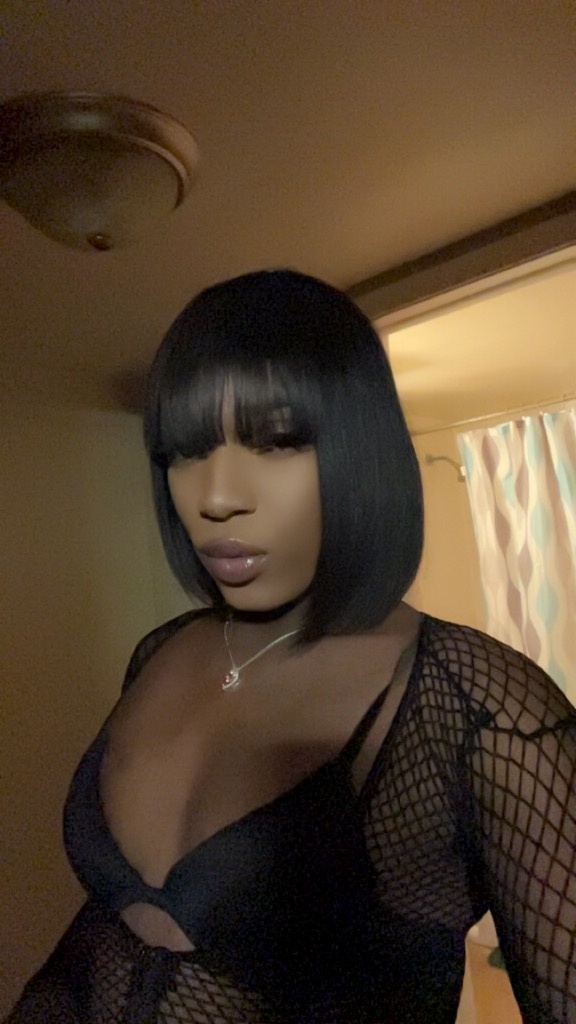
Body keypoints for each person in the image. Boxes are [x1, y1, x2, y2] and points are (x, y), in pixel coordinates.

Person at [5, 269, 576, 1024]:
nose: (215, 497)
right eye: (185, 451)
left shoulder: (487, 710)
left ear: (359, 452)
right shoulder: (161, 652)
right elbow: (107, 935)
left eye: (275, 441)